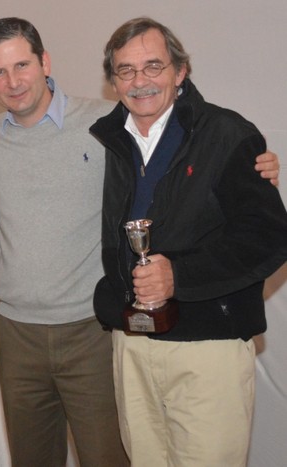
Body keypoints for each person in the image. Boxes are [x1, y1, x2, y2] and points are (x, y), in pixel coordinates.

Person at [0, 17, 281, 467]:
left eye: (22, 65)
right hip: (56, 332)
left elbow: (258, 223)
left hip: (110, 333)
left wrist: (257, 162)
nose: (13, 81)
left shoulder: (107, 126)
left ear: (45, 63)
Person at [90, 17, 287, 466]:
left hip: (207, 348)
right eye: (126, 70)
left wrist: (178, 275)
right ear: (113, 82)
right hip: (132, 343)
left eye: (153, 66)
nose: (140, 81)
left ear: (180, 71)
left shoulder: (227, 133)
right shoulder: (106, 141)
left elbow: (269, 235)